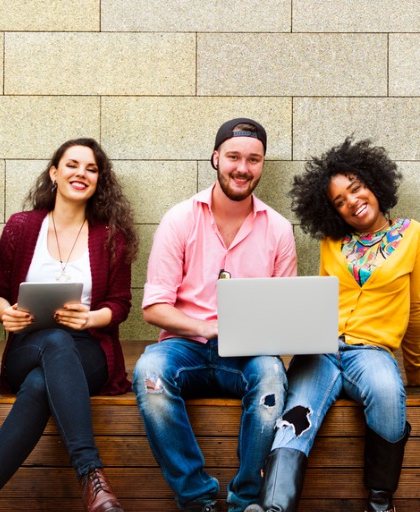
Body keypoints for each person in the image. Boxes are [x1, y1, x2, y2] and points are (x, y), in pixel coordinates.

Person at [0, 139, 135, 512]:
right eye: (72, 165)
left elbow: (120, 304)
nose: (81, 173)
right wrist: (5, 313)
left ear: (100, 180)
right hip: (28, 347)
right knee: (50, 343)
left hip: (88, 349)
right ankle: (92, 476)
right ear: (54, 173)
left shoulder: (110, 234)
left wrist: (90, 317)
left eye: (91, 168)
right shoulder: (22, 226)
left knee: (39, 385)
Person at [248, 137, 420, 512]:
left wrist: (415, 370)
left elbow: (414, 309)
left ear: (373, 184)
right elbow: (320, 300)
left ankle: (381, 503)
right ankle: (274, 506)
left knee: (385, 393)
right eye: (339, 202)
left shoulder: (413, 234)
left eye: (356, 189)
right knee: (296, 416)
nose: (351, 202)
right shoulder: (333, 242)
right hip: (323, 350)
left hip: (372, 351)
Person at [135, 118, 296, 512]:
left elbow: (286, 312)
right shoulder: (180, 219)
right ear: (215, 158)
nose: (243, 168)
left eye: (253, 159)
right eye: (234, 157)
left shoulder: (278, 228)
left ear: (262, 165)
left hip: (247, 353)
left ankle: (244, 500)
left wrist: (268, 333)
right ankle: (196, 499)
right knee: (148, 373)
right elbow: (155, 307)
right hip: (184, 348)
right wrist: (206, 327)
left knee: (273, 376)